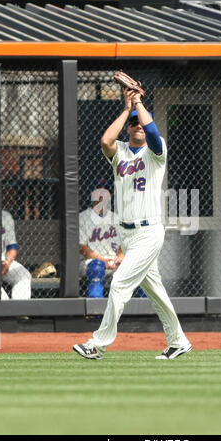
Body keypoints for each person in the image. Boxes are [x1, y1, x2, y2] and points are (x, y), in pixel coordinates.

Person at [73, 88, 192, 360]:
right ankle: (178, 340)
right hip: (127, 235)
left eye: (141, 121)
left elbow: (152, 133)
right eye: (134, 124)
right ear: (128, 128)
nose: (138, 126)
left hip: (149, 232)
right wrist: (127, 109)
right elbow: (105, 140)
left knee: (119, 285)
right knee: (155, 290)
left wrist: (138, 102)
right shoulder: (121, 152)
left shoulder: (155, 149)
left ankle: (98, 343)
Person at [79, 178, 124, 298]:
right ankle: (95, 312)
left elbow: (125, 243)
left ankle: (143, 312)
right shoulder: (82, 217)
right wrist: (103, 261)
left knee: (138, 268)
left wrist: (120, 256)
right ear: (92, 194)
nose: (101, 196)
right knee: (97, 268)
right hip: (90, 263)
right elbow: (82, 248)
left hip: (115, 262)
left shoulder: (116, 218)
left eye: (105, 192)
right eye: (98, 192)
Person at [1, 210, 31, 300]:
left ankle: (20, 310)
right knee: (1, 296)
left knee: (24, 275)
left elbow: (12, 246)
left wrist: (8, 262)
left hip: (1, 260)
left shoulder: (5, 216)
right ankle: (4, 311)